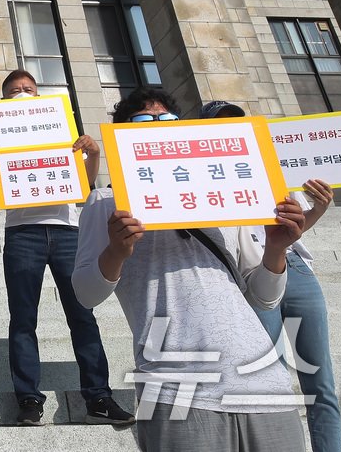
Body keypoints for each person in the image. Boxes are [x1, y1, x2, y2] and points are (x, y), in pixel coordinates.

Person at [72, 87, 308, 452]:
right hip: (173, 385)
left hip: (264, 382)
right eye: (142, 120)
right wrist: (116, 252)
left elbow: (263, 298)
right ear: (122, 133)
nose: (157, 126)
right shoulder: (106, 202)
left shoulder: (224, 190)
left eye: (166, 119)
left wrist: (276, 247)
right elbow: (86, 293)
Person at [0, 68, 131, 426]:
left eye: (28, 89)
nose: (22, 94)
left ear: (40, 94)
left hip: (66, 230)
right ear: (3, 99)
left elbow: (85, 185)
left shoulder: (60, 128)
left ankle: (98, 396)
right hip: (22, 231)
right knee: (23, 319)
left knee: (82, 313)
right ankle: (28, 398)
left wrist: (93, 155)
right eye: (13, 91)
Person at [201, 100, 341, 452]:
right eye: (219, 123)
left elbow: (295, 229)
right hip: (249, 276)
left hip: (294, 267)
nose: (229, 129)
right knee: (269, 378)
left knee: (320, 379)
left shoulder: (268, 165)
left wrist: (318, 209)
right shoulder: (200, 173)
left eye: (235, 123)